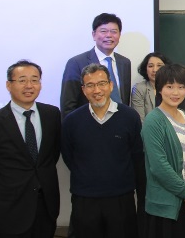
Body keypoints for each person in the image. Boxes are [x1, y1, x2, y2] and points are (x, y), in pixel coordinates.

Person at [61, 63, 144, 238]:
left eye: (101, 83)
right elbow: (69, 156)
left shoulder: (130, 117)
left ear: (111, 85)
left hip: (121, 198)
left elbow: (137, 156)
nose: (96, 90)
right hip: (85, 198)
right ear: (83, 90)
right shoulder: (72, 121)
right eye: (90, 85)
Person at [0, 60, 61, 238]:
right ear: (9, 85)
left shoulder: (52, 115)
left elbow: (52, 154)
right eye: (22, 80)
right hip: (8, 210)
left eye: (34, 80)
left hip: (45, 207)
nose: (29, 86)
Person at [141, 64, 185, 238]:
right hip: (167, 208)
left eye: (181, 87)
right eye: (169, 86)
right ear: (159, 88)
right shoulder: (154, 120)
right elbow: (159, 167)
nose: (175, 92)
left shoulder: (184, 115)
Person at [61, 13, 132, 118]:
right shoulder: (76, 63)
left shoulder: (125, 63)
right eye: (103, 31)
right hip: (88, 125)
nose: (109, 35)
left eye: (114, 31)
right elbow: (68, 105)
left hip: (119, 125)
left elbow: (124, 99)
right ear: (94, 35)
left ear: (119, 35)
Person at [131, 52, 170, 122]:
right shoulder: (139, 88)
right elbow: (139, 121)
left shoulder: (172, 89)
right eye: (150, 66)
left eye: (159, 66)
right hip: (148, 130)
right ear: (145, 69)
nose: (155, 70)